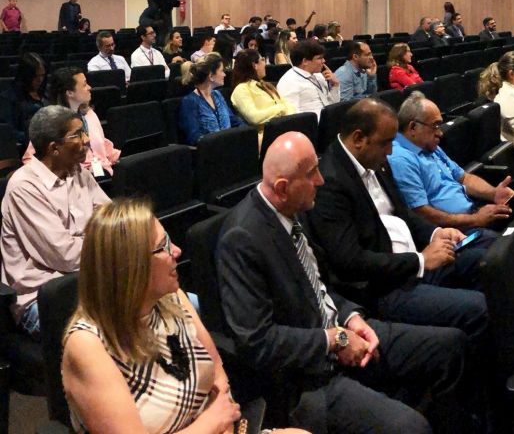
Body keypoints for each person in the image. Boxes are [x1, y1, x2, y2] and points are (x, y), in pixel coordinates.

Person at [216, 131, 469, 433]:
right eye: (312, 174)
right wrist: (335, 340)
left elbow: (320, 285)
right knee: (411, 428)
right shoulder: (241, 239)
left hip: (342, 332)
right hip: (306, 375)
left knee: (450, 346)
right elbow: (257, 342)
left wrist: (351, 318)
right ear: (282, 187)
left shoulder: (293, 207)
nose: (321, 180)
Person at [63, 199, 295, 434]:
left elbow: (217, 370)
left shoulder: (171, 298)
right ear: (130, 266)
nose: (176, 251)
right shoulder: (89, 344)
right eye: (162, 246)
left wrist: (225, 421)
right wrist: (213, 422)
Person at [306, 100, 487, 353]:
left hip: (410, 263)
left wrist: (436, 232)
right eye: (385, 143)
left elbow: (404, 213)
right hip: (382, 287)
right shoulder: (330, 182)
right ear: (358, 139)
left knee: (485, 263)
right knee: (477, 307)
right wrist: (420, 261)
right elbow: (350, 261)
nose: (391, 151)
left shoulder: (374, 160)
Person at [2, 106, 111, 334]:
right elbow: (66, 256)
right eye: (77, 134)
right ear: (54, 148)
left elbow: (111, 218)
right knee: (121, 330)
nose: (87, 139)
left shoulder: (77, 171)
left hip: (89, 283)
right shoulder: (25, 187)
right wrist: (113, 245)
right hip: (44, 301)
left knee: (167, 304)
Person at [389, 93, 514, 231]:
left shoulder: (429, 145)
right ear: (413, 127)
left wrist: (494, 193)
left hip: (471, 212)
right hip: (453, 230)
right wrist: (476, 219)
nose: (440, 133)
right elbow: (422, 213)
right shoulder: (400, 159)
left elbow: (464, 178)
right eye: (435, 126)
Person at [22, 67, 120, 180]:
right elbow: (30, 160)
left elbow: (101, 146)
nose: (89, 87)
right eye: (84, 85)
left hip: (104, 174)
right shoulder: (51, 123)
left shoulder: (90, 114)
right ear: (69, 92)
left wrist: (120, 157)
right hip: (75, 180)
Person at [177, 53, 245, 145]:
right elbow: (194, 137)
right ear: (211, 76)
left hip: (229, 144)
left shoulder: (217, 95)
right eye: (221, 71)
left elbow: (233, 120)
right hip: (211, 149)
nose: (224, 74)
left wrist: (246, 131)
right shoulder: (190, 101)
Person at [230, 49, 298, 128]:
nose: (265, 64)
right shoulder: (241, 89)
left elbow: (289, 105)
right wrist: (280, 109)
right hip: (265, 132)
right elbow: (254, 117)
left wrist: (285, 111)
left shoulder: (266, 85)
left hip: (284, 126)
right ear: (254, 65)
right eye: (262, 60)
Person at [276, 40, 340, 118]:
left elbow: (332, 104)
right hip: (310, 123)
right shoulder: (289, 81)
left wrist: (335, 85)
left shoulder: (319, 76)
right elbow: (291, 116)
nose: (324, 61)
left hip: (329, 120)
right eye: (319, 58)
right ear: (305, 61)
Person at [8, 53, 50, 145]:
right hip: (27, 145)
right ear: (25, 76)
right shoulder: (12, 97)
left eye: (42, 75)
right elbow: (10, 132)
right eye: (35, 76)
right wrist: (34, 138)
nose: (40, 80)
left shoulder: (46, 92)